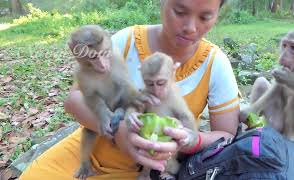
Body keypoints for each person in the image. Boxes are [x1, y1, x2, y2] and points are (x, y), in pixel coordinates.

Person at [20, 0, 240, 179]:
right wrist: (120, 132)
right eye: (180, 11)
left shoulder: (215, 64)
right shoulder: (127, 41)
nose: (190, 27)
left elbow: (227, 136)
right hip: (90, 152)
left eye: (205, 17)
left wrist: (192, 140)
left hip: (152, 169)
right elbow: (74, 100)